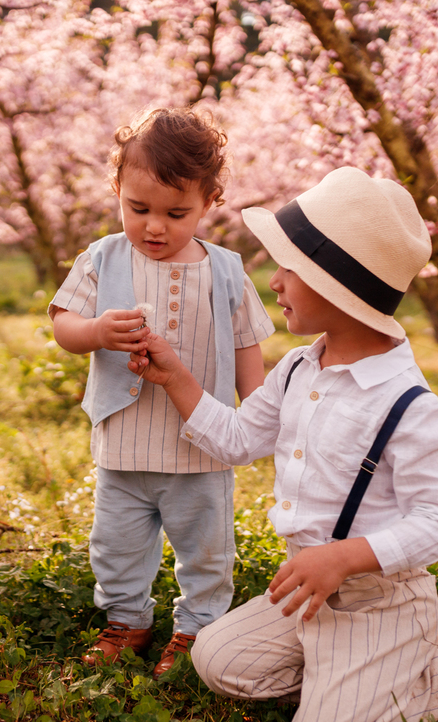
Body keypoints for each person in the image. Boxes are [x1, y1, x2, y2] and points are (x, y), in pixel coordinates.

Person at [128, 167, 438, 722]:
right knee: (217, 660)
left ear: (334, 284)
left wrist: (345, 557)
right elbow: (238, 439)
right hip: (308, 594)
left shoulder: (410, 406)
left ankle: (435, 671)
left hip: (377, 602)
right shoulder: (297, 370)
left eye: (289, 268)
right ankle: (345, 685)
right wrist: (175, 377)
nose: (274, 280)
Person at [50, 107, 274, 677]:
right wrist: (96, 331)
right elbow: (63, 325)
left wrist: (262, 412)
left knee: (206, 550)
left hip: (201, 448)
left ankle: (196, 629)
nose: (154, 227)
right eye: (138, 208)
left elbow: (248, 345)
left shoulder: (226, 271)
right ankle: (127, 620)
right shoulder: (102, 258)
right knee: (116, 545)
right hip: (124, 444)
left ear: (210, 201)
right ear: (117, 190)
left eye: (177, 213)